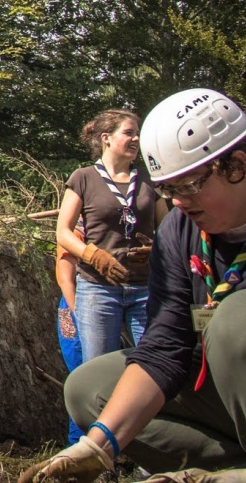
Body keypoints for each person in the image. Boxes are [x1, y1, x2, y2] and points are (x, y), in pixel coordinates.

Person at [19, 88, 246, 483]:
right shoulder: (180, 230)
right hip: (230, 403)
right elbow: (165, 349)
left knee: (243, 319)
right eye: (168, 189)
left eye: (188, 184)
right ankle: (229, 473)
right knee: (90, 388)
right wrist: (98, 445)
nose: (176, 203)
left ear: (238, 165)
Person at [55, 110, 166, 366]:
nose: (137, 139)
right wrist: (93, 256)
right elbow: (63, 231)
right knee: (98, 369)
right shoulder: (83, 177)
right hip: (97, 289)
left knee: (155, 366)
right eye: (129, 133)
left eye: (138, 134)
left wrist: (158, 249)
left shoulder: (148, 180)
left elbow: (170, 228)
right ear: (106, 138)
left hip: (145, 289)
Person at [56, 230, 85, 444]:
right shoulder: (76, 231)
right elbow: (65, 279)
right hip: (73, 309)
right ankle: (77, 444)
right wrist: (82, 318)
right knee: (81, 375)